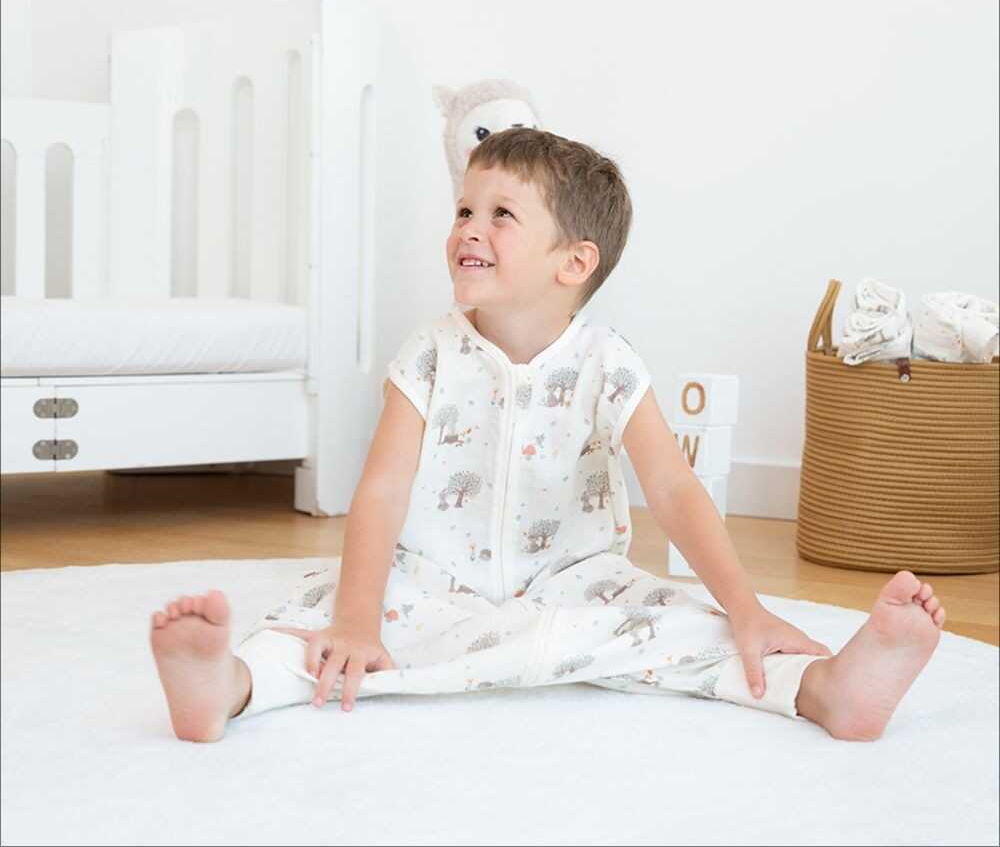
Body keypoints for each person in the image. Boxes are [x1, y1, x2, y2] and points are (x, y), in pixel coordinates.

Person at [149, 128, 946, 743]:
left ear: (573, 263)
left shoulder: (609, 363)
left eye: (501, 215)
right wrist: (360, 613)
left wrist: (745, 607)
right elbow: (383, 489)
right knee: (322, 624)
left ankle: (827, 691)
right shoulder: (429, 353)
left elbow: (672, 489)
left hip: (574, 583)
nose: (470, 227)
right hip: (432, 579)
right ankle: (230, 686)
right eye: (464, 210)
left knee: (689, 628)